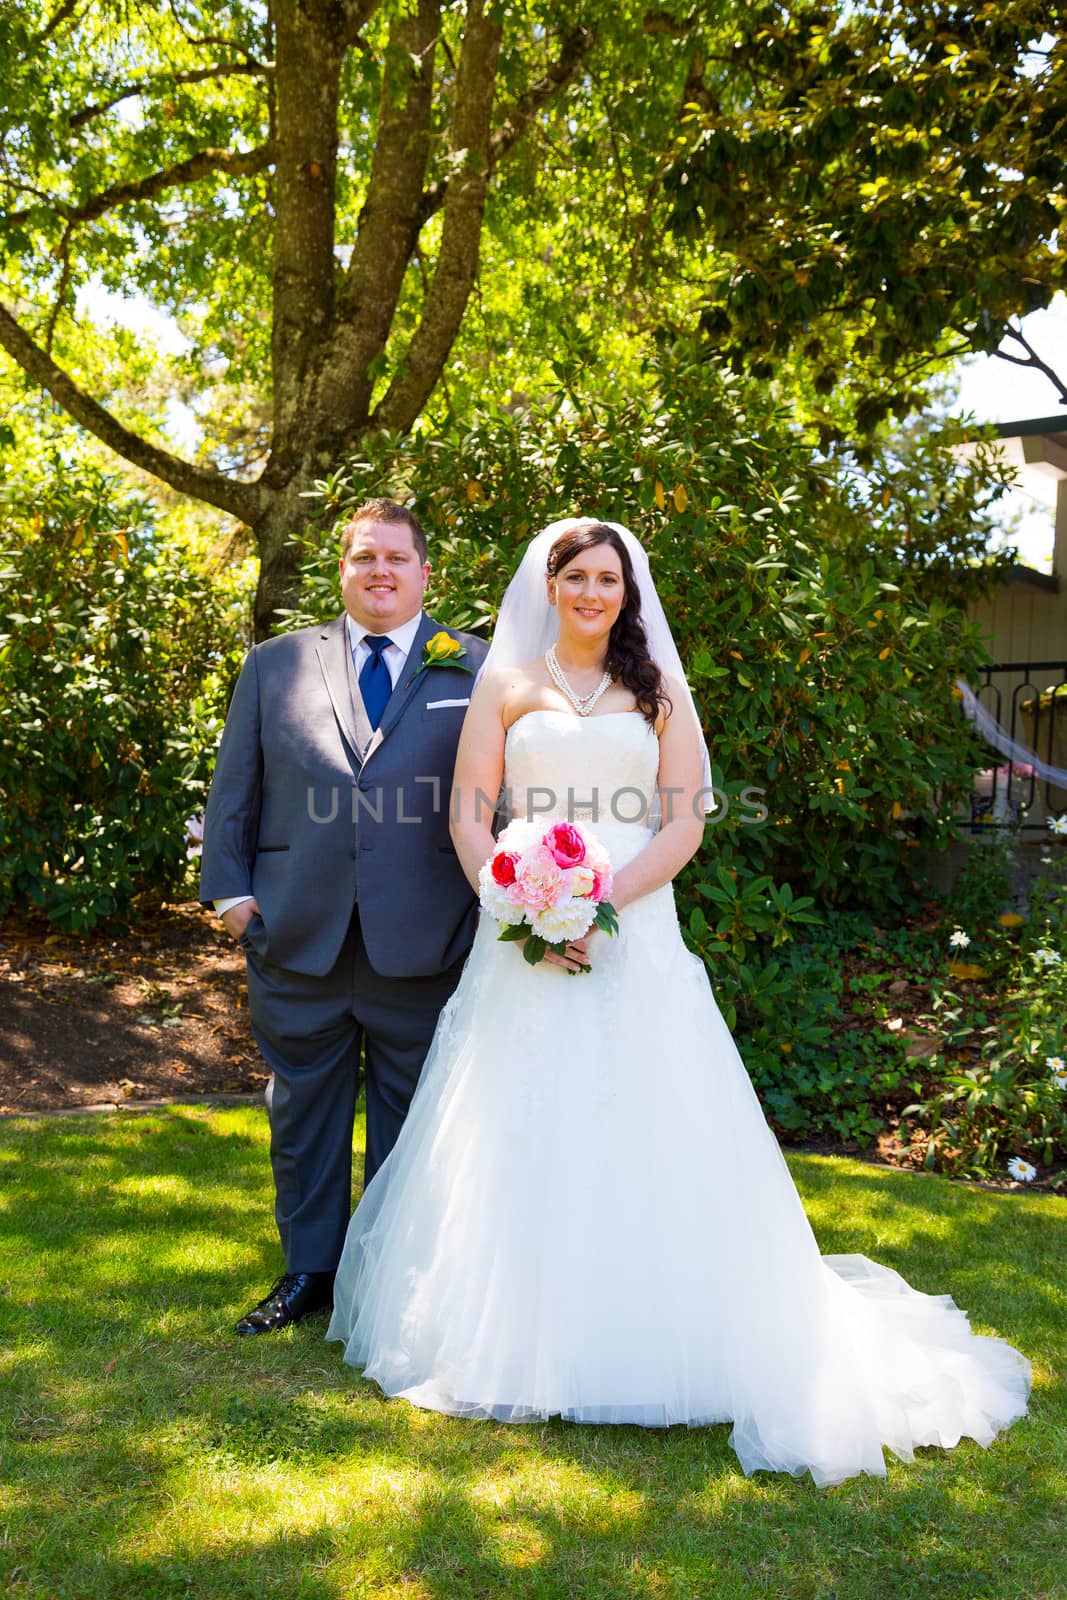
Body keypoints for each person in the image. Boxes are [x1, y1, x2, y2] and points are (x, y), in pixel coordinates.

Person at [325, 517, 1031, 1487]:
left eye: (606, 578)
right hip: (515, 947)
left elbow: (685, 816)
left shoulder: (652, 688)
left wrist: (591, 900)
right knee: (518, 1133)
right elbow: (466, 808)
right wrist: (517, 898)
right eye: (573, 576)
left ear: (625, 589)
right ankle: (508, 1341)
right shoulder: (506, 683)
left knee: (643, 1132)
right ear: (547, 583)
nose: (589, 593)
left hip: (631, 938)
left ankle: (645, 1341)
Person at [199, 498, 488, 1336]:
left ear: (425, 573)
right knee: (303, 1115)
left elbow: (502, 800)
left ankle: (393, 1285)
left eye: (397, 558)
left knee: (414, 1120)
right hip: (296, 931)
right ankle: (308, 1274)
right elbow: (235, 791)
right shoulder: (275, 665)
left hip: (428, 935)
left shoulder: (477, 668)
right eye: (364, 557)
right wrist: (231, 895)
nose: (380, 572)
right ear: (343, 569)